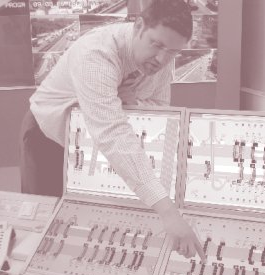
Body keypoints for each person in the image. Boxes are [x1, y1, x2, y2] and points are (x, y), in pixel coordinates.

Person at [19, 0, 205, 261]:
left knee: (87, 221)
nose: (162, 59)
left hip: (91, 142)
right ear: (138, 26)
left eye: (173, 52)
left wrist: (132, 103)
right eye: (157, 45)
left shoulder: (160, 61)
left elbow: (159, 110)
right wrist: (168, 212)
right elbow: (112, 133)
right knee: (46, 223)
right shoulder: (96, 53)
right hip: (49, 135)